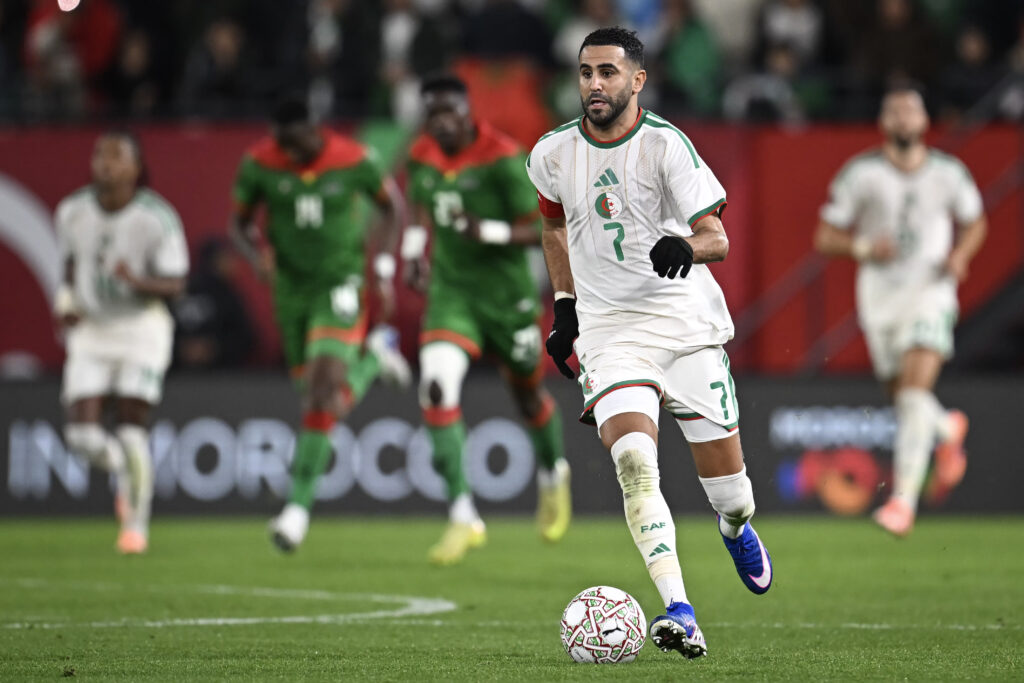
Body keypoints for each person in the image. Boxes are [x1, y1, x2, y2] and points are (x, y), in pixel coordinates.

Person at [526, 27, 773, 659]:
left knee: (733, 495)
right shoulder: (551, 153)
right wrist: (565, 306)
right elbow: (553, 228)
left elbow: (717, 238)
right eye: (586, 72)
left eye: (608, 72)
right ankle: (680, 610)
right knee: (635, 464)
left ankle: (734, 529)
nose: (594, 84)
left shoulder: (666, 145)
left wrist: (684, 247)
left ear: (637, 80)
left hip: (685, 328)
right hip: (610, 334)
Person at [403, 74, 572, 566]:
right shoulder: (421, 156)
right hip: (451, 295)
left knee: (526, 395)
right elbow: (420, 205)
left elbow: (544, 227)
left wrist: (488, 232)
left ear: (467, 111)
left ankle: (553, 473)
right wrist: (413, 250)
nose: (441, 124)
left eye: (449, 113)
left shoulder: (502, 157)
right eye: (433, 116)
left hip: (506, 298)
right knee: (436, 387)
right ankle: (463, 516)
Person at [230, 95, 410, 552]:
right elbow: (239, 222)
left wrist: (383, 268)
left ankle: (296, 510)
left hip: (340, 283)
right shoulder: (259, 163)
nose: (289, 155)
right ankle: (373, 358)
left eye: (296, 145)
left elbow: (391, 207)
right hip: (291, 293)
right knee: (321, 401)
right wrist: (256, 254)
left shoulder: (354, 159)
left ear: (315, 132)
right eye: (282, 146)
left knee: (321, 390)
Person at [814, 85, 987, 536]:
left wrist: (961, 255)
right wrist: (865, 247)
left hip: (931, 291)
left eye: (911, 110)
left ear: (925, 121)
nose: (904, 118)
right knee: (903, 398)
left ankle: (902, 502)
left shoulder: (949, 172)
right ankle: (946, 430)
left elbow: (976, 221)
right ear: (884, 122)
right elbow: (825, 236)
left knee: (912, 394)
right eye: (895, 111)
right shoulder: (861, 174)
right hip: (880, 298)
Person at [54, 130, 189, 554]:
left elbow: (176, 284)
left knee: (132, 428)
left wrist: (137, 282)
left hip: (141, 328)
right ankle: (121, 470)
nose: (105, 164)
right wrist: (66, 301)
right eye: (100, 155)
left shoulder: (156, 218)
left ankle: (136, 526)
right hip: (93, 329)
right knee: (81, 437)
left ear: (135, 167)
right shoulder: (71, 211)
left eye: (116, 157)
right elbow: (70, 264)